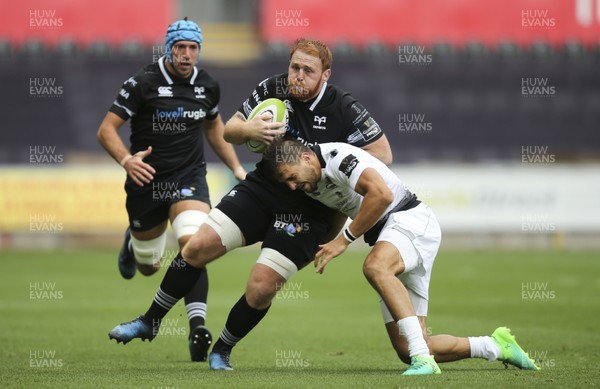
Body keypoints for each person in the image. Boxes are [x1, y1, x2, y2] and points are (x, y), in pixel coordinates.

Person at [108, 38, 392, 370]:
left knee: (261, 287)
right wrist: (249, 128)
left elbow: (383, 154)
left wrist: (324, 159)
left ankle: (222, 349)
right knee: (198, 245)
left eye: (308, 71)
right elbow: (229, 130)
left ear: (325, 75)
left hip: (311, 210)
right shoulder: (273, 88)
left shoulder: (343, 107)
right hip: (263, 189)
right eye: (294, 67)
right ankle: (151, 321)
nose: (298, 76)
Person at [261, 138, 540, 375]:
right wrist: (327, 244)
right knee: (408, 348)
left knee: (375, 267)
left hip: (409, 219)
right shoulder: (312, 182)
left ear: (307, 158)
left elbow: (381, 196)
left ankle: (424, 361)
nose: (292, 186)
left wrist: (343, 241)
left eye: (291, 177)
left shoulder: (339, 158)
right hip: (391, 236)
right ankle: (496, 346)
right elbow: (340, 208)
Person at [98, 18, 246, 362]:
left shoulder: (207, 85)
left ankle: (197, 328)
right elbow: (106, 130)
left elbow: (214, 129)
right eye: (180, 47)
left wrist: (237, 167)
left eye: (193, 48)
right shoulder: (142, 83)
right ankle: (132, 243)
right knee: (149, 266)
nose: (186, 54)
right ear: (169, 48)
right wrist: (126, 160)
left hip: (188, 177)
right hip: (145, 182)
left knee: (194, 245)